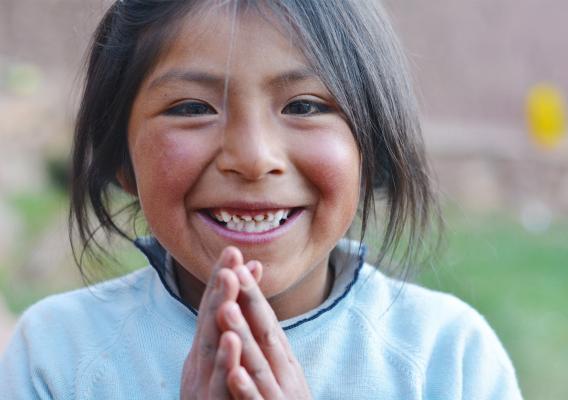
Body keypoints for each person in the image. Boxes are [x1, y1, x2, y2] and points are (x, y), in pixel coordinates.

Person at [0, 1, 523, 398]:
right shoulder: (58, 356)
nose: (252, 158)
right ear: (121, 158)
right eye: (190, 107)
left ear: (372, 144)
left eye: (303, 104)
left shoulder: (446, 359)